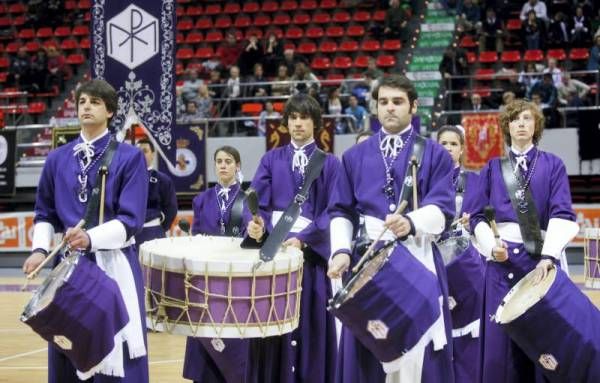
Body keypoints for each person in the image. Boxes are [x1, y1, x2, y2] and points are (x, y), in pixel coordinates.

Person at [327, 74, 455, 383]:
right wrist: (341, 250)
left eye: (397, 102)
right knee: (370, 343)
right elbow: (341, 210)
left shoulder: (435, 153)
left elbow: (444, 210)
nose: (389, 108)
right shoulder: (354, 155)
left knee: (421, 350)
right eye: (383, 102)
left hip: (417, 255)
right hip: (367, 261)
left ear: (413, 106)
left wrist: (412, 222)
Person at [22, 79, 150, 382]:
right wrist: (40, 250)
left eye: (94, 101)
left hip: (112, 264)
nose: (86, 107)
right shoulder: (56, 159)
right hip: (67, 269)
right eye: (82, 102)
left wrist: (91, 238)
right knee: (68, 347)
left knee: (116, 350)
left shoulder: (129, 157)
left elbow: (132, 220)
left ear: (109, 110)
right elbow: (45, 213)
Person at [470, 99, 579, 383]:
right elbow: (476, 217)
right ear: (507, 126)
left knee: (542, 340)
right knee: (499, 343)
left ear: (536, 126)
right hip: (499, 262)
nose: (521, 124)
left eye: (527, 119)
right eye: (515, 119)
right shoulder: (492, 168)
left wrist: (549, 257)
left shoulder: (553, 165)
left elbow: (563, 213)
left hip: (538, 263)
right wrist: (490, 247)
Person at [245, 93, 340, 383]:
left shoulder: (330, 163)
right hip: (275, 256)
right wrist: (256, 225)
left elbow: (333, 210)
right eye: (293, 117)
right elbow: (256, 203)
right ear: (286, 123)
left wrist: (304, 238)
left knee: (310, 324)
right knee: (274, 323)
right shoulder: (270, 159)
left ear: (316, 123)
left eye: (304, 118)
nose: (298, 123)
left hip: (310, 259)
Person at [183, 145, 251, 383]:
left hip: (236, 280)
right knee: (203, 337)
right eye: (219, 161)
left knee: (234, 344)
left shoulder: (248, 199)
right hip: (207, 281)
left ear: (237, 166)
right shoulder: (202, 199)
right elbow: (197, 235)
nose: (223, 165)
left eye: (228, 161)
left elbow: (250, 238)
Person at [436, 125, 485, 383]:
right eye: (443, 143)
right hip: (434, 265)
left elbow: (486, 219)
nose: (448, 149)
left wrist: (473, 223)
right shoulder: (425, 183)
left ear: (462, 149)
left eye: (453, 144)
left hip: (467, 267)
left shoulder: (475, 181)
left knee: (471, 331)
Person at [134, 138, 177, 246]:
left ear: (153, 154)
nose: (141, 154)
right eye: (138, 151)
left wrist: (159, 227)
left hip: (153, 232)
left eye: (145, 151)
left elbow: (171, 209)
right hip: (130, 234)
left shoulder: (163, 180)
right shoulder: (125, 179)